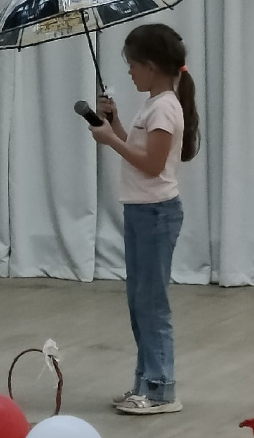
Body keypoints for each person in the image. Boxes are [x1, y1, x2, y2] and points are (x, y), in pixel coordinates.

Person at [86, 22, 201, 417]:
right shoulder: (153, 105)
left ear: (151, 66)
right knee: (140, 303)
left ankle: (161, 388)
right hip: (140, 211)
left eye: (133, 65)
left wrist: (110, 140)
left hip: (155, 213)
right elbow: (139, 150)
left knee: (152, 305)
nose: (131, 73)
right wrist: (115, 124)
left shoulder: (165, 106)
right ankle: (145, 383)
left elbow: (152, 165)